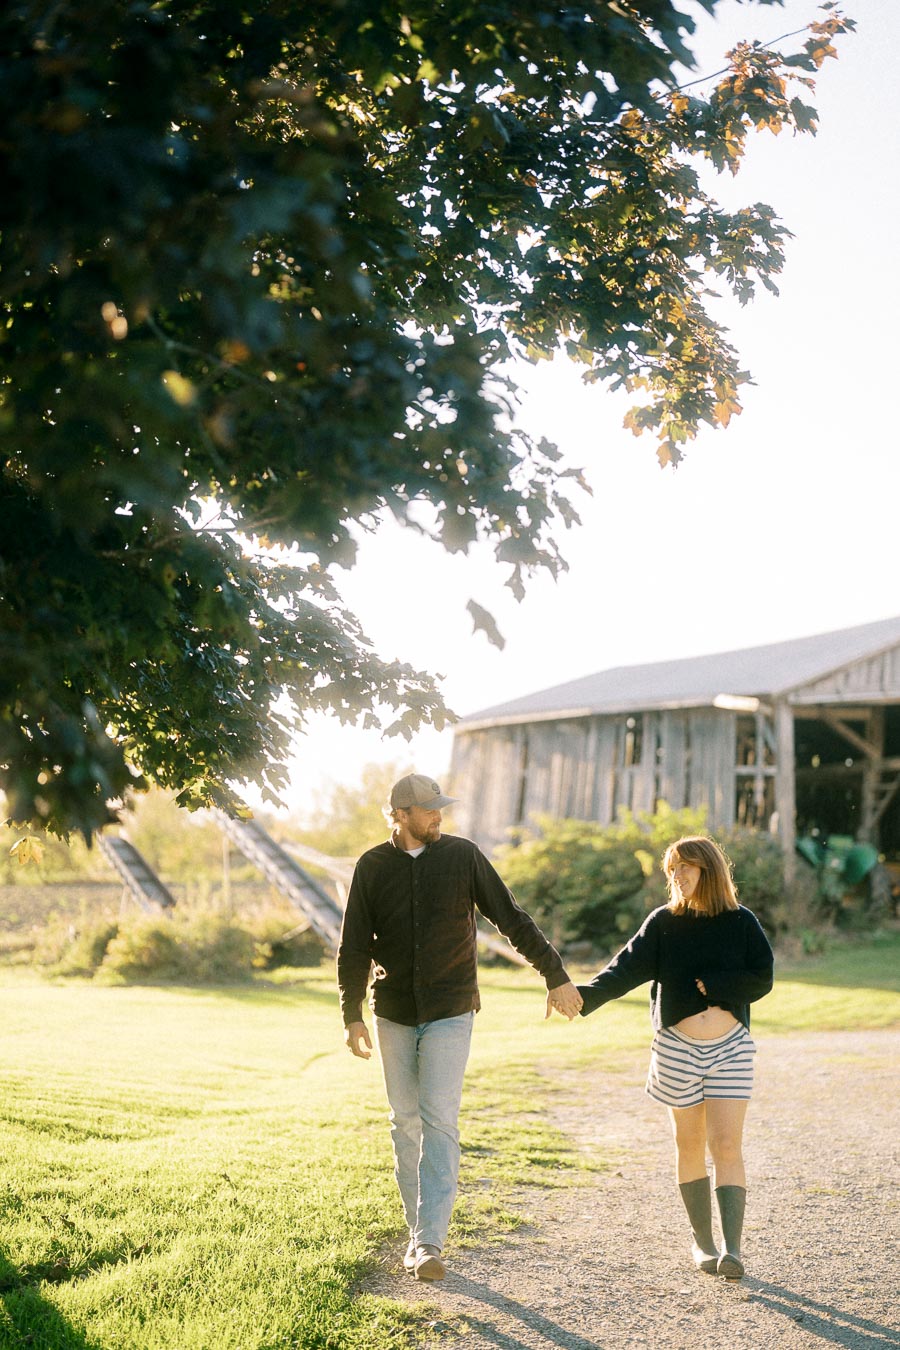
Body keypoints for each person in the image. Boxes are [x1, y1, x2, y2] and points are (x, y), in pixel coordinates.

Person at [337, 772, 583, 1281]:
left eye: (440, 807)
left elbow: (511, 919)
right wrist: (351, 1014)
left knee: (439, 1120)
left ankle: (429, 1242)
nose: (438, 816)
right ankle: (416, 1235)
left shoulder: (463, 856)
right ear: (400, 814)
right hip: (394, 1012)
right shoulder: (372, 866)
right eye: (428, 809)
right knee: (404, 1122)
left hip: (451, 1009)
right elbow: (354, 945)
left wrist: (554, 974)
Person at [576, 834, 774, 1281]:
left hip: (730, 1050)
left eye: (685, 866)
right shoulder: (663, 922)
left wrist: (717, 986)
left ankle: (733, 1249)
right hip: (677, 1050)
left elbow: (763, 978)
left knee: (726, 1146)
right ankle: (703, 1245)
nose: (677, 875)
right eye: (672, 869)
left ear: (709, 869)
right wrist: (581, 998)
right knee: (689, 1146)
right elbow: (623, 969)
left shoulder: (741, 922)